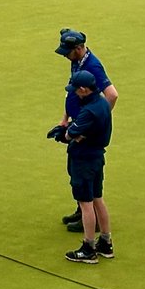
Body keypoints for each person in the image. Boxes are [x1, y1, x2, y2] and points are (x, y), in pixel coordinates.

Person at [51, 28, 117, 232]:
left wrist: (93, 122)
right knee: (76, 174)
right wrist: (65, 119)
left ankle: (88, 217)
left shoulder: (92, 66)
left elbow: (112, 95)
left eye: (68, 52)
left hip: (85, 134)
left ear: (79, 48)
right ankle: (82, 210)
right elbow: (72, 91)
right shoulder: (77, 61)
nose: (65, 56)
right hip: (78, 125)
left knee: (84, 177)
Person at [50, 70, 114, 263]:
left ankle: (89, 248)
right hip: (97, 157)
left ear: (84, 89)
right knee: (97, 199)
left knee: (85, 204)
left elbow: (69, 135)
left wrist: (64, 133)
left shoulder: (88, 111)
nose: (75, 93)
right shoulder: (102, 103)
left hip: (84, 159)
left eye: (76, 90)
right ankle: (106, 242)